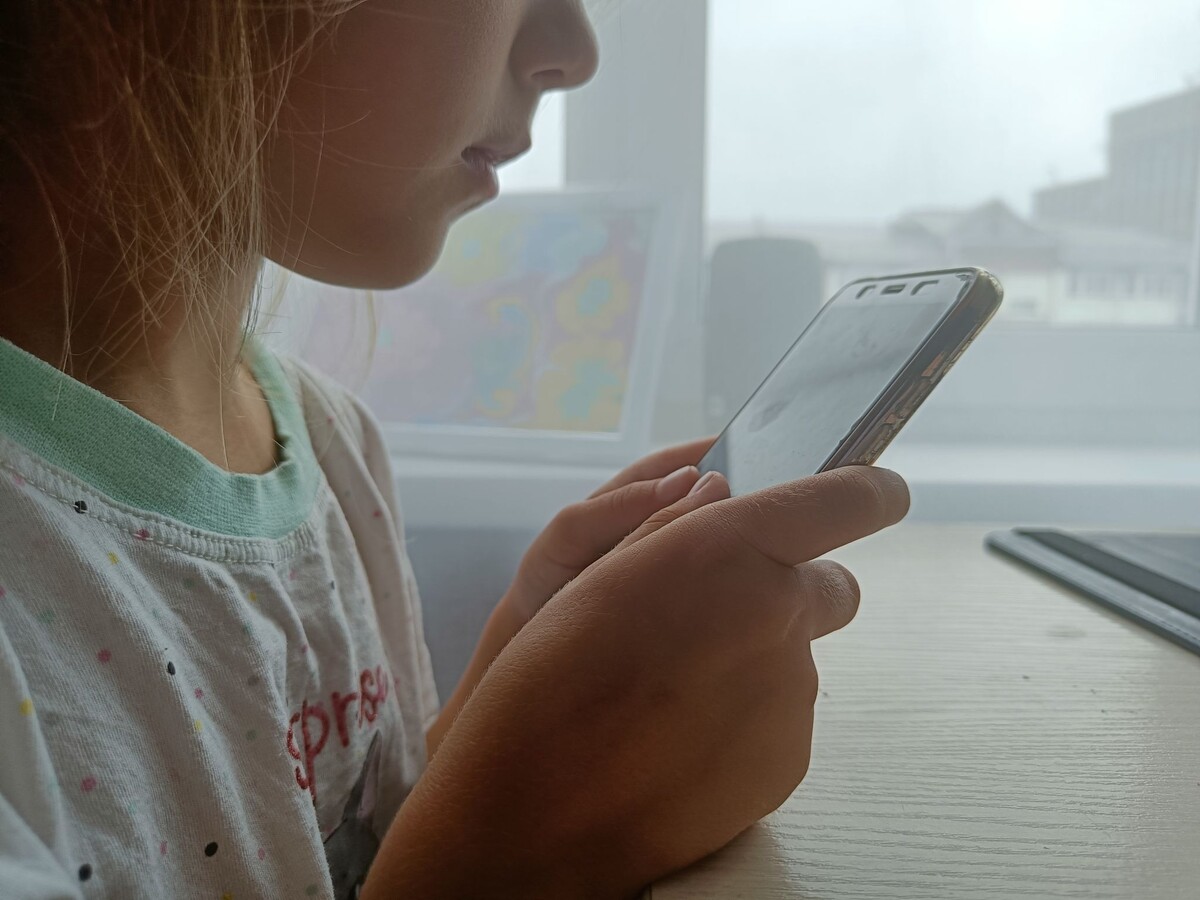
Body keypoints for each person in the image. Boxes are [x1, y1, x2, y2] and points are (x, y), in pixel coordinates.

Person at [0, 2, 910, 897]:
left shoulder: (329, 438)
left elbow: (352, 859)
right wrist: (523, 848)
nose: (575, 51)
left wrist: (515, 693)